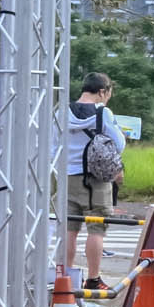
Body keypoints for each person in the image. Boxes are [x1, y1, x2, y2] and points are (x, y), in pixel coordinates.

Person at [61, 72, 123, 289]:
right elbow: (119, 143)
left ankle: (65, 277)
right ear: (102, 92)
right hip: (95, 179)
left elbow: (53, 143)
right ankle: (93, 279)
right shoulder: (103, 113)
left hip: (68, 176)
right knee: (96, 229)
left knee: (69, 229)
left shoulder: (63, 110)